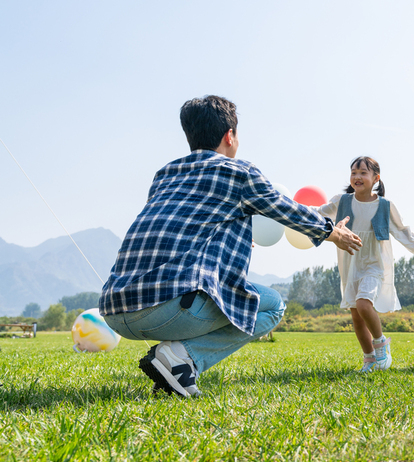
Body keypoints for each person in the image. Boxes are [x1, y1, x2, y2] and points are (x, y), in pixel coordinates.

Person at [99, 95, 362, 398]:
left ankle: (174, 359)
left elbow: (181, 230)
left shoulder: (165, 175)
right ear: (230, 136)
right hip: (164, 307)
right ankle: (184, 358)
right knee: (273, 305)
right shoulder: (239, 172)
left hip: (116, 310)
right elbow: (285, 208)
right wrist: (332, 232)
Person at [316, 157, 414, 372]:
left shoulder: (385, 206)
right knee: (356, 315)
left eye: (363, 172)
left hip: (375, 263)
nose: (357, 176)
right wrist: (291, 209)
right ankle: (369, 359)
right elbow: (317, 213)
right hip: (350, 262)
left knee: (364, 304)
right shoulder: (342, 201)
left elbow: (404, 233)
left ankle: (381, 343)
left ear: (376, 178)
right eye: (353, 172)